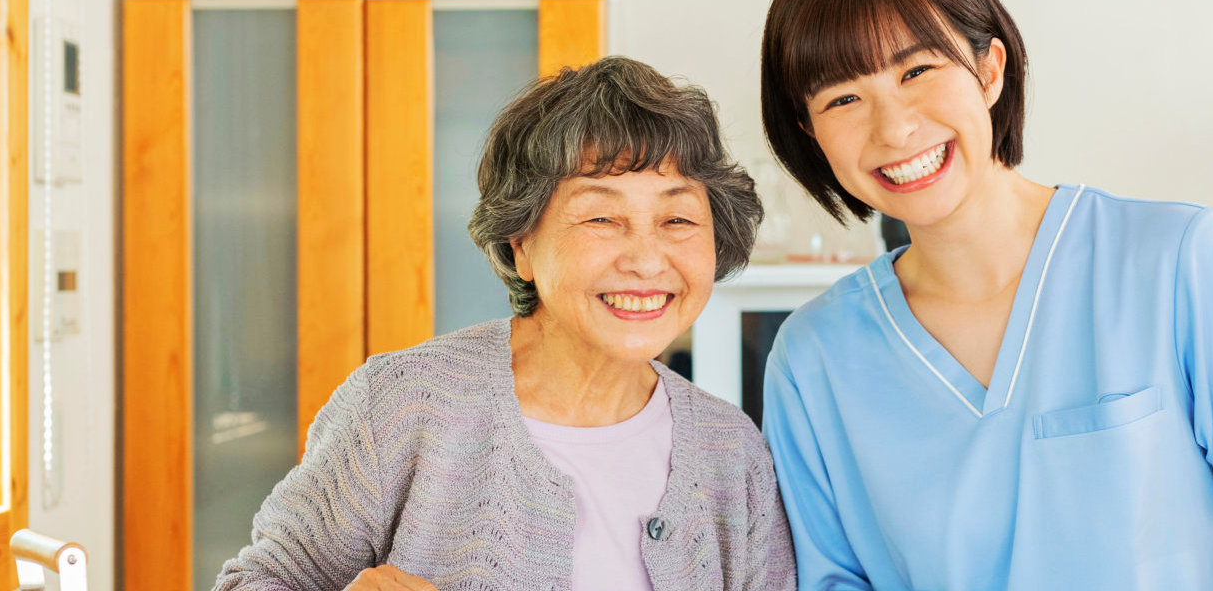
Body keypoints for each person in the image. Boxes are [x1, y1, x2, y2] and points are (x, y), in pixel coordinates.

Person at [756, 0, 1213, 588]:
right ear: (810, 131)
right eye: (844, 98)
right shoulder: (813, 359)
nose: (895, 128)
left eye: (917, 70)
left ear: (989, 71)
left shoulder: (1178, 259)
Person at [215, 56, 795, 591]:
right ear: (521, 244)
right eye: (601, 216)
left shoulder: (732, 453)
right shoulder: (401, 406)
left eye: (677, 217)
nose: (646, 260)